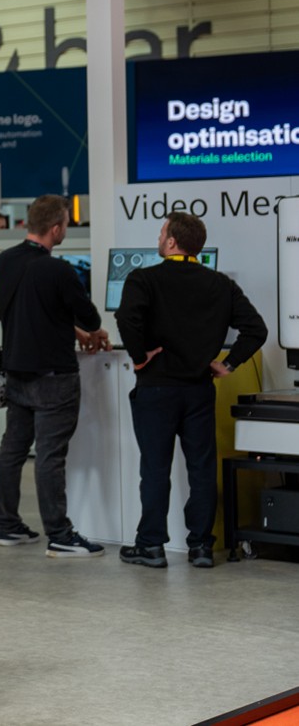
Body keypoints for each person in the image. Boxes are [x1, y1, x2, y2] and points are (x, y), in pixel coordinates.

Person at [115, 212, 267, 569]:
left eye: (161, 233)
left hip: (156, 389)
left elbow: (126, 319)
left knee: (155, 468)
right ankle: (201, 546)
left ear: (170, 242)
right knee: (201, 468)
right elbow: (255, 330)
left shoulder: (143, 279)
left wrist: (140, 358)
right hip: (199, 389)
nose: (158, 239)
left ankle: (151, 546)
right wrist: (227, 365)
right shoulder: (220, 285)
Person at [0, 194, 109, 557]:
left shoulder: (5, 262)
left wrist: (72, 329)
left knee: (12, 449)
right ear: (56, 228)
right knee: (50, 455)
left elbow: (34, 310)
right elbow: (89, 318)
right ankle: (59, 533)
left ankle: (8, 526)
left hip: (16, 370)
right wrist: (87, 331)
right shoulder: (59, 270)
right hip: (54, 375)